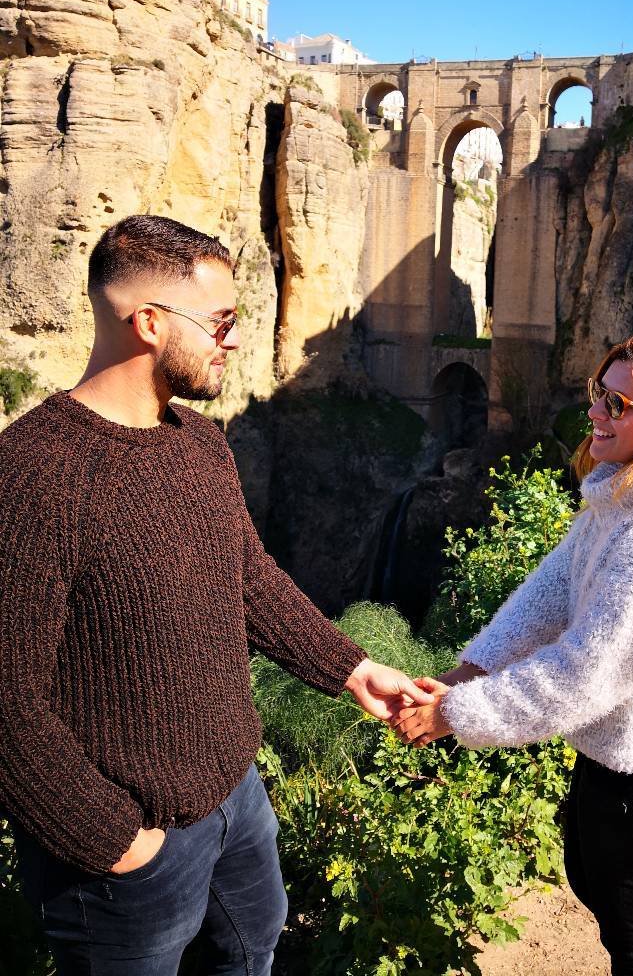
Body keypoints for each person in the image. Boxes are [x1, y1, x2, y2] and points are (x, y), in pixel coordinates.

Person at [0, 215, 433, 976]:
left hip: (238, 800)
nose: (234, 342)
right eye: (222, 323)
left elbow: (247, 578)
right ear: (148, 323)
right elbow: (6, 699)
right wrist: (116, 842)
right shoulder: (35, 473)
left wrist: (353, 670)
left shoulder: (198, 443)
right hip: (124, 859)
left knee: (252, 954)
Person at [394, 334, 633, 976]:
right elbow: (553, 589)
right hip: (616, 749)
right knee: (592, 878)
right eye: (598, 394)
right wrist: (468, 670)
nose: (595, 414)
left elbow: (584, 673)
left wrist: (457, 714)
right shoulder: (628, 493)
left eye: (618, 404)